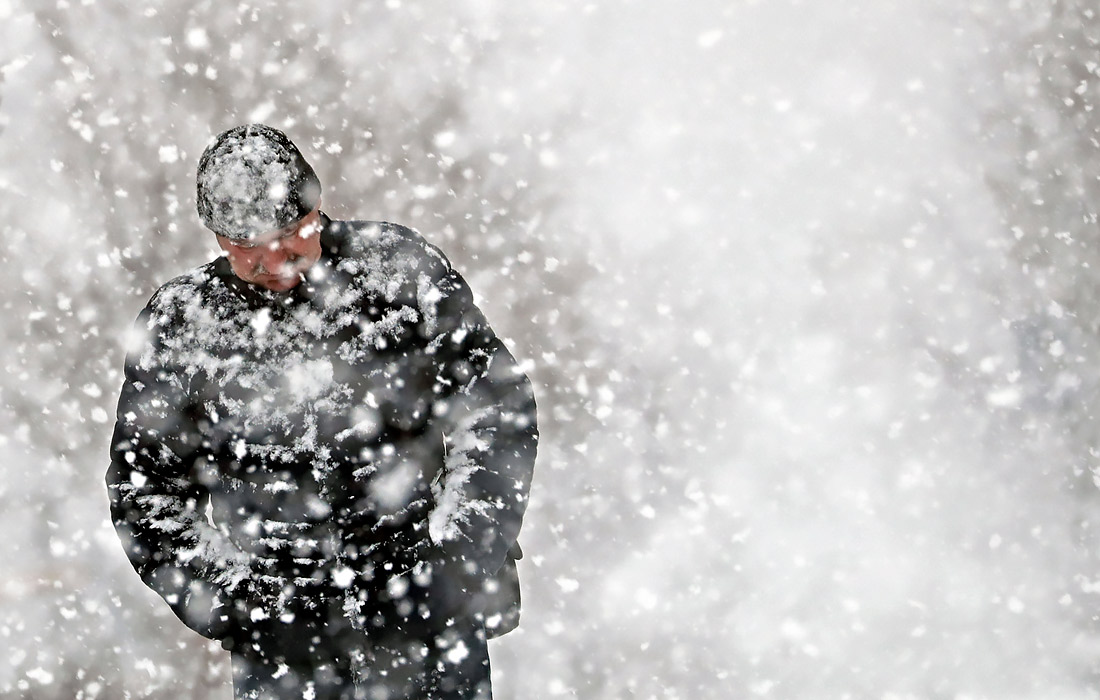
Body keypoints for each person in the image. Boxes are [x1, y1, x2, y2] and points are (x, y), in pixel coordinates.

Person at [105, 124, 538, 699]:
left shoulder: (398, 272)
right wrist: (245, 611)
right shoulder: (182, 328)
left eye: (289, 231)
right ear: (216, 237)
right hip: (285, 658)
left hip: (431, 630)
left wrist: (458, 560)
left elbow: (495, 409)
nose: (274, 256)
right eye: (248, 243)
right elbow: (144, 491)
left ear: (316, 207)